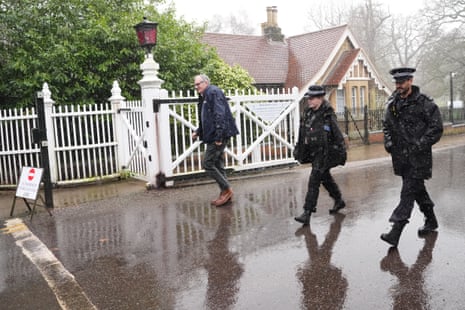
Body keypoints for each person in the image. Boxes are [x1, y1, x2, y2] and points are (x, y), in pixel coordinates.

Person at [380, 67, 443, 247]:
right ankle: (431, 221)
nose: (398, 86)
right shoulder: (393, 102)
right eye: (396, 83)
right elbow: (386, 125)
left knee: (407, 193)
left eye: (402, 82)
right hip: (401, 157)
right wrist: (388, 142)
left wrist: (420, 144)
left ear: (410, 81)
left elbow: (436, 128)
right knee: (418, 190)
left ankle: (395, 231)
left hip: (419, 158)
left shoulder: (425, 103)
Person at [294, 85, 347, 226]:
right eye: (309, 98)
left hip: (326, 153)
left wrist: (341, 152)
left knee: (314, 181)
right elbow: (302, 133)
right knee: (325, 178)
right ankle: (339, 200)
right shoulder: (308, 113)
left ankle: (307, 213)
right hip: (314, 152)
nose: (309, 101)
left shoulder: (328, 114)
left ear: (320, 98)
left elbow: (337, 135)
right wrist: (299, 149)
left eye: (312, 98)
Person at [192, 74, 239, 207]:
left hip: (218, 135)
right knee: (218, 164)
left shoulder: (213, 92)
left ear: (206, 82)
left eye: (198, 84)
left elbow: (220, 115)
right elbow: (206, 117)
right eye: (195, 85)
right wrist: (198, 131)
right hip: (214, 134)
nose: (196, 87)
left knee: (207, 163)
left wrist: (219, 136)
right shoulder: (205, 96)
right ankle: (225, 193)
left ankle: (227, 189)